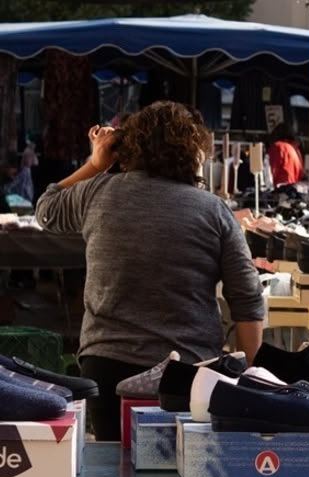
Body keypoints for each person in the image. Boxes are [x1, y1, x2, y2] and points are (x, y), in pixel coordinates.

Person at [35, 101, 266, 440]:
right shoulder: (214, 211)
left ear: (130, 148)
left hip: (106, 365)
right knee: (185, 476)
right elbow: (247, 300)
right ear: (193, 152)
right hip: (189, 371)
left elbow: (47, 210)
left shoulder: (98, 192)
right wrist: (252, 378)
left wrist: (96, 164)